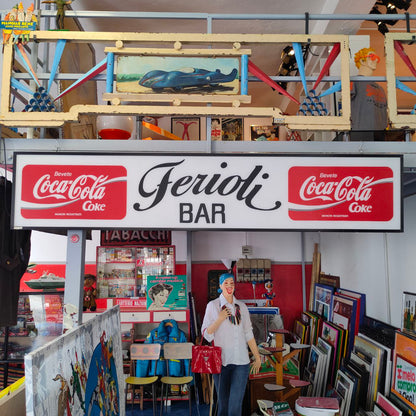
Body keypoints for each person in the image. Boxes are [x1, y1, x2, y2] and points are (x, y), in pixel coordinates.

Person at [201, 272, 261, 416]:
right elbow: (206, 335)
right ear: (220, 286)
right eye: (226, 283)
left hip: (241, 362)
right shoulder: (213, 306)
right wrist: (219, 319)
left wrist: (257, 357)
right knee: (223, 405)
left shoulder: (242, 307)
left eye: (232, 283)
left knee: (235, 406)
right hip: (221, 362)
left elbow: (248, 333)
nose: (229, 286)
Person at [350, 47, 388, 141]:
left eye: (377, 58)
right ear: (362, 61)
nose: (375, 60)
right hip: (361, 134)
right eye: (371, 56)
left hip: (380, 135)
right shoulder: (354, 82)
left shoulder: (380, 89)